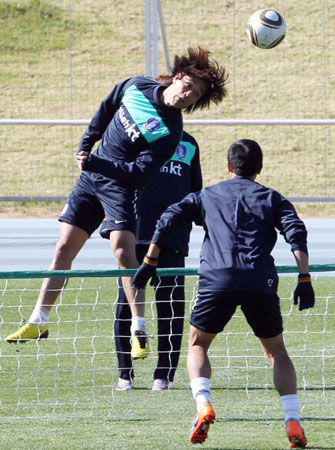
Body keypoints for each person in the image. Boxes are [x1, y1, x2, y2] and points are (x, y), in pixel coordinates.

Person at [6, 47, 228, 361]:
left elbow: (140, 173)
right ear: (178, 77)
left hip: (119, 188)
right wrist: (86, 145)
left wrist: (96, 164)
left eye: (196, 95)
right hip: (90, 180)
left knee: (124, 253)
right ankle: (38, 320)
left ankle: (139, 329)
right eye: (189, 85)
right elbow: (106, 108)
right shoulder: (136, 86)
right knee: (63, 248)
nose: (189, 94)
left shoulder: (170, 132)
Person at [132, 139, 315, 447]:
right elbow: (295, 231)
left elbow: (167, 218)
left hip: (216, 279)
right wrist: (304, 277)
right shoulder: (272, 198)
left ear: (229, 166)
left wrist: (150, 259)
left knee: (198, 344)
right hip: (260, 280)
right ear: (260, 168)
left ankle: (203, 404)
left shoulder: (207, 195)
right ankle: (292, 419)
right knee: (276, 352)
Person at [100, 129, 202, 391]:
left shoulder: (189, 143)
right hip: (134, 233)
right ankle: (125, 373)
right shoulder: (133, 137)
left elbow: (195, 191)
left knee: (171, 308)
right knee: (127, 306)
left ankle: (164, 374)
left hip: (173, 238)